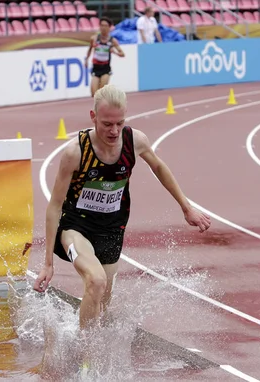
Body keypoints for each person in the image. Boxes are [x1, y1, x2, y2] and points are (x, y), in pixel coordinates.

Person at [33, 84, 211, 356]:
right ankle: (85, 356)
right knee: (96, 280)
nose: (114, 131)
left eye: (120, 123)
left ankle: (78, 334)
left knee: (101, 303)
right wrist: (47, 263)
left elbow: (159, 167)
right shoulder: (75, 153)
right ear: (93, 117)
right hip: (76, 227)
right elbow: (54, 205)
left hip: (112, 229)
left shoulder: (134, 140)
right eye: (107, 124)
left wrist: (186, 208)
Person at [84, 16, 125, 98]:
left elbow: (122, 54)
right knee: (93, 93)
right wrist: (86, 59)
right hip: (96, 68)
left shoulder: (112, 40)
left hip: (105, 68)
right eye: (101, 25)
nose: (103, 28)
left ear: (110, 27)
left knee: (101, 92)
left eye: (105, 26)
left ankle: (102, 109)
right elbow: (90, 49)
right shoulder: (94, 38)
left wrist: (114, 52)